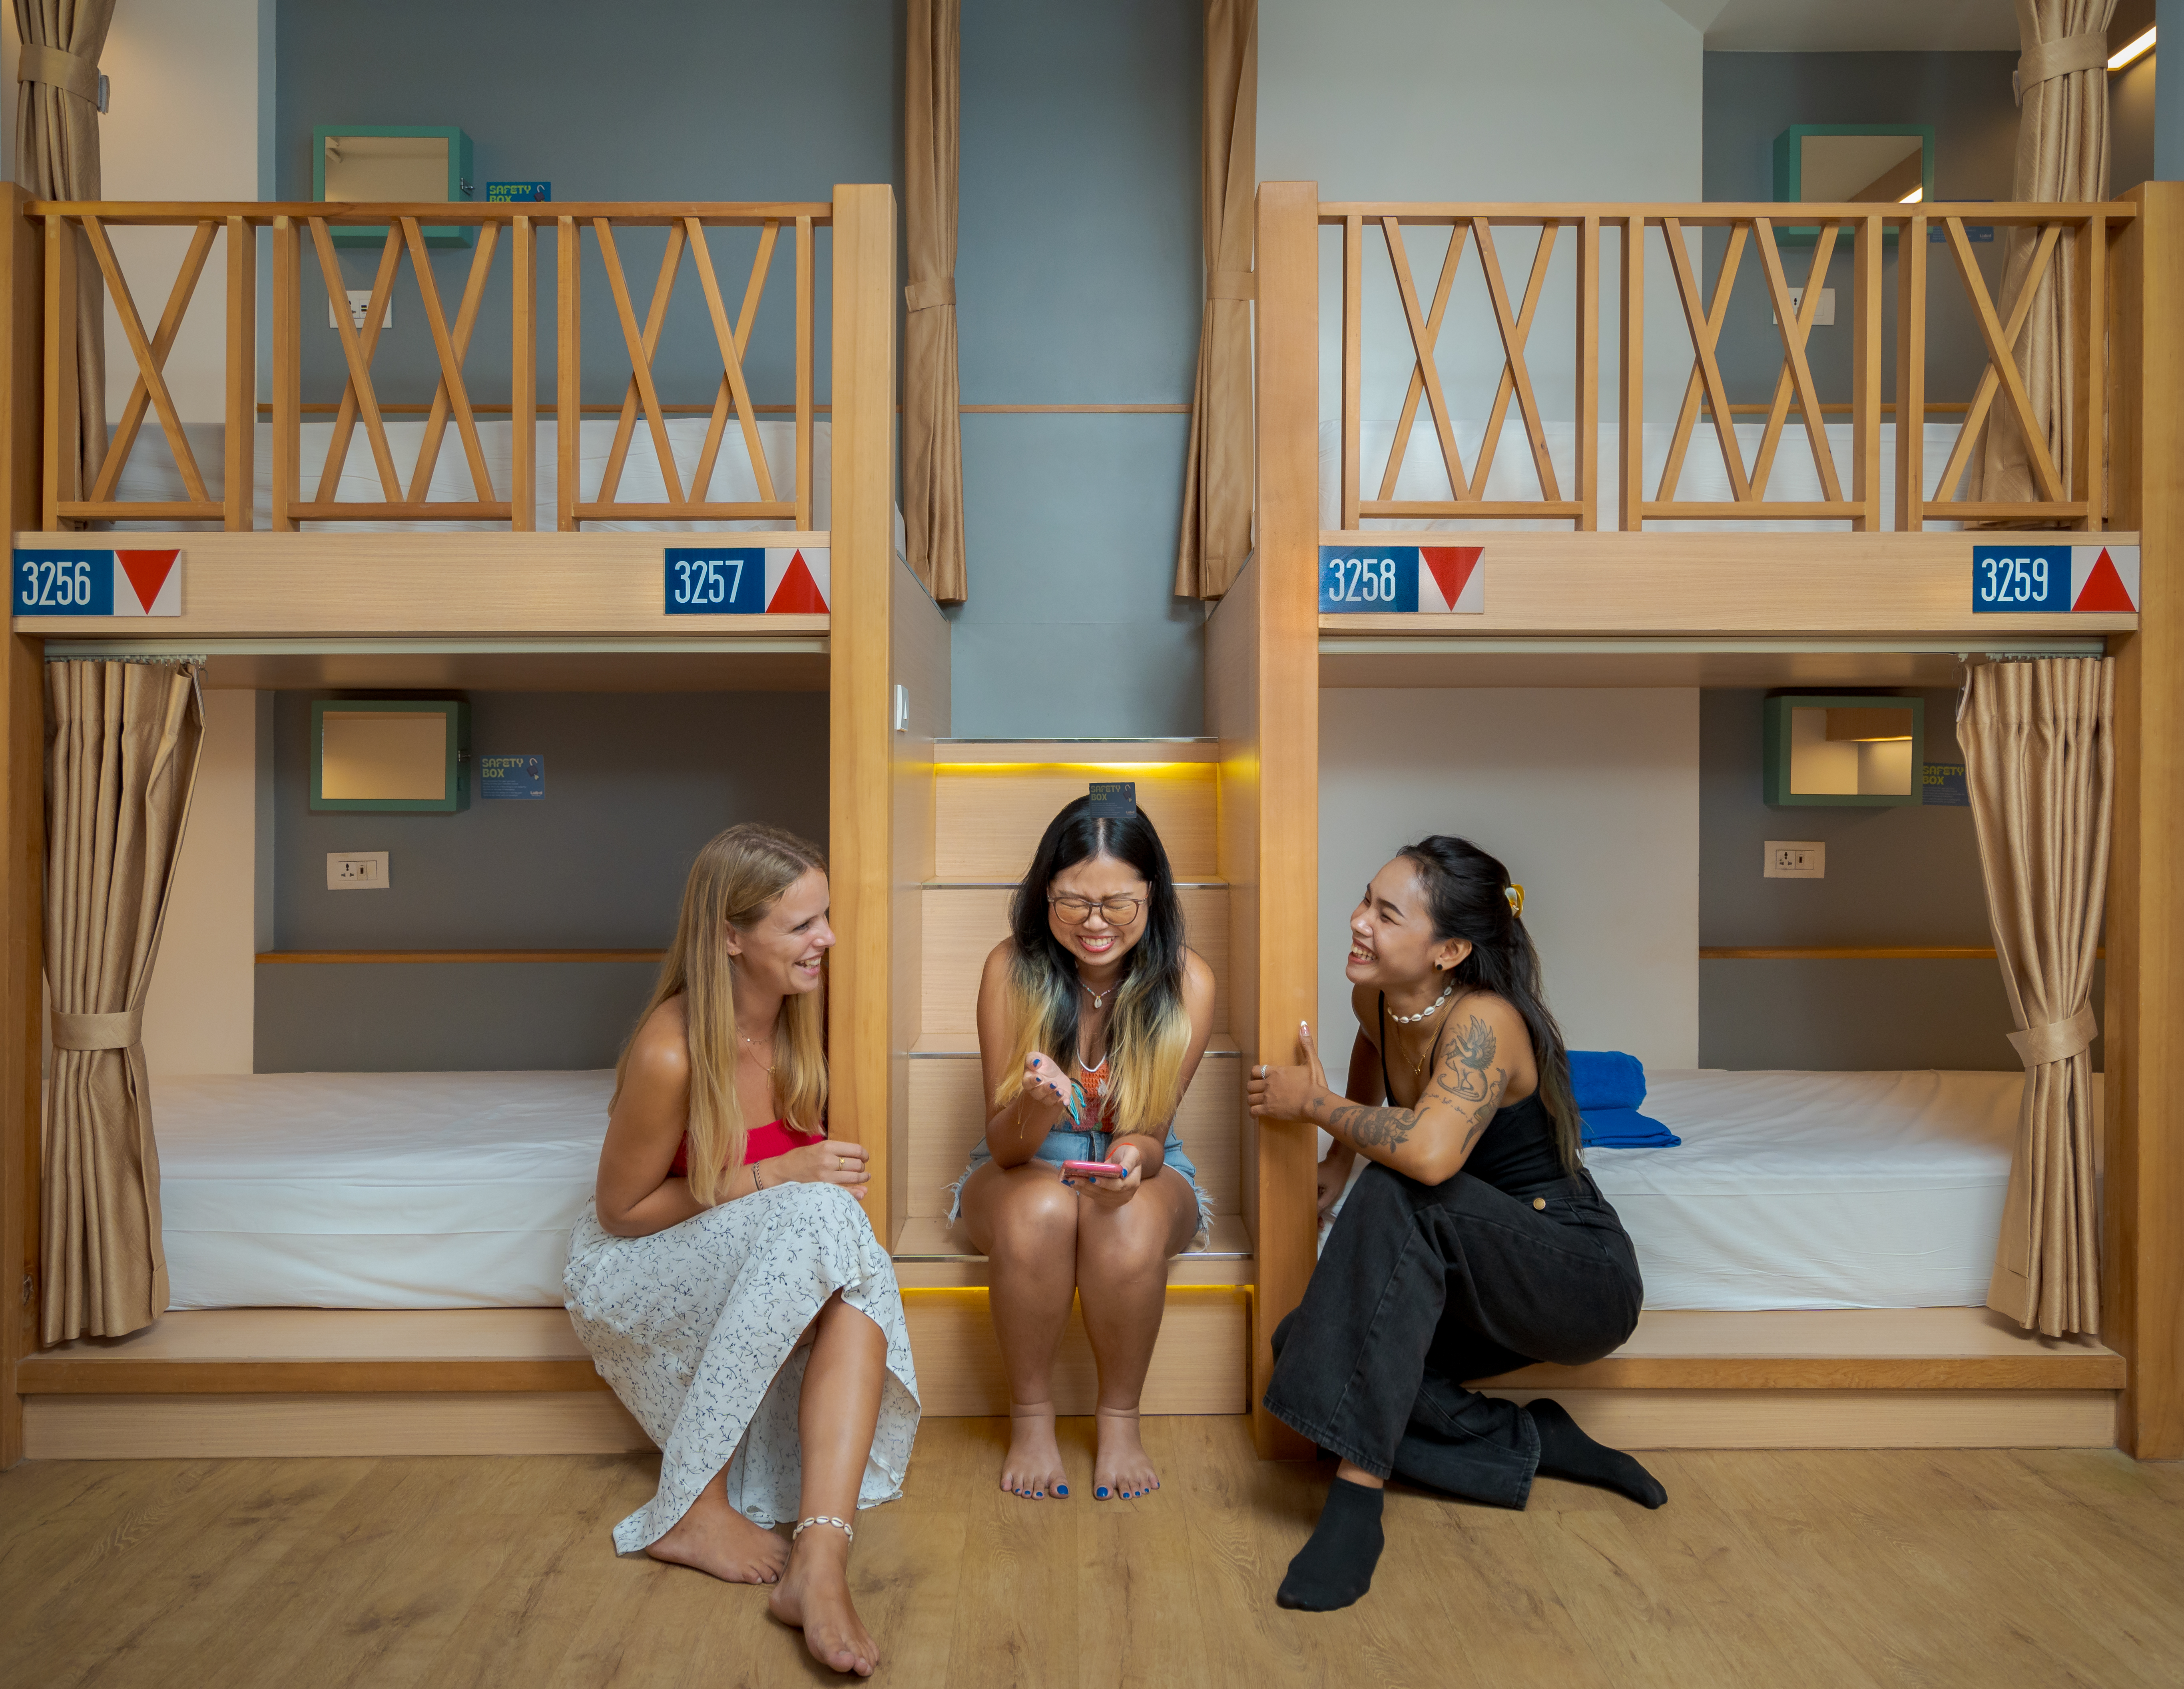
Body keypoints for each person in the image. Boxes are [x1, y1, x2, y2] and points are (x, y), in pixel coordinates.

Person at [1245, 835, 1663, 1613]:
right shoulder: (1371, 994)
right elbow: (1375, 1047)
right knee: (1302, 1344)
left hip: (1571, 1272)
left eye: (1385, 912)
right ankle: (1535, 1440)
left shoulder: (1485, 1020)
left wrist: (1311, 1101)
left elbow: (1433, 1158)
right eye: (1364, 900)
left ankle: (1355, 1502)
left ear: (1449, 949)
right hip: (1473, 1273)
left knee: (1399, 1188)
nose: (1357, 922)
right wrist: (1338, 1158)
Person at [564, 823, 919, 1677]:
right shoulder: (670, 1048)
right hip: (635, 1266)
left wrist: (792, 1185)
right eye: (801, 926)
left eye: (824, 917)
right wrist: (778, 1173)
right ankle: (693, 1505)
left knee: (835, 1229)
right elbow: (621, 1210)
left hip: (734, 1246)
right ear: (731, 937)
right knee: (820, 1214)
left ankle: (819, 1560)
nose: (826, 939)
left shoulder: (805, 1019)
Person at [950, 793, 1218, 1502]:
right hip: (1021, 1162)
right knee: (1041, 1209)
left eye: (1118, 904)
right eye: (1073, 902)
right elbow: (1005, 1149)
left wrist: (1131, 1163)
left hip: (1145, 1163)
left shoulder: (1188, 981)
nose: (1095, 924)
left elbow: (1151, 1132)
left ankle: (1120, 1419)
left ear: (1151, 896)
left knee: (1123, 1218)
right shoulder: (1011, 969)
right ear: (1046, 893)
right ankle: (1032, 1416)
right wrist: (1038, 1107)